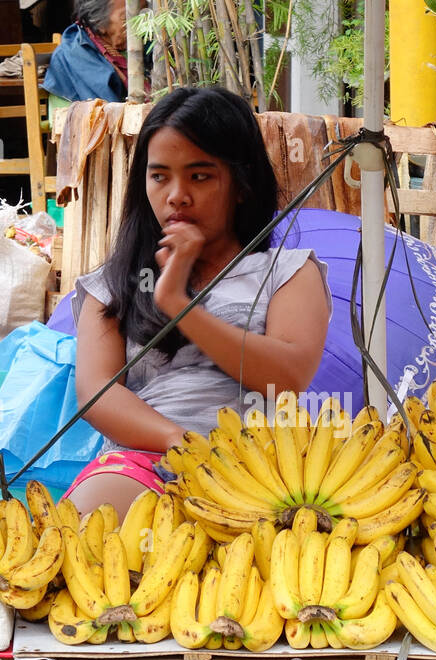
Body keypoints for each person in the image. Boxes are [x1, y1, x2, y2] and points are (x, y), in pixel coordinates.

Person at [66, 87, 332, 519]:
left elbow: (285, 378)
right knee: (86, 534)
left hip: (265, 468)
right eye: (159, 176)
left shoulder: (288, 272)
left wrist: (180, 306)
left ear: (241, 186)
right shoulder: (114, 284)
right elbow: (96, 393)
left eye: (200, 176)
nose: (177, 195)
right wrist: (179, 443)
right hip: (146, 458)